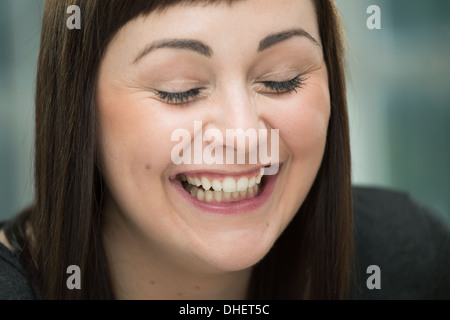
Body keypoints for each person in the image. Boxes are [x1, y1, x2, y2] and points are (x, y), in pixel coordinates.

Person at [0, 0, 449, 300]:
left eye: (282, 79)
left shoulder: (408, 259)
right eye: (180, 89)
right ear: (78, 110)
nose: (243, 134)